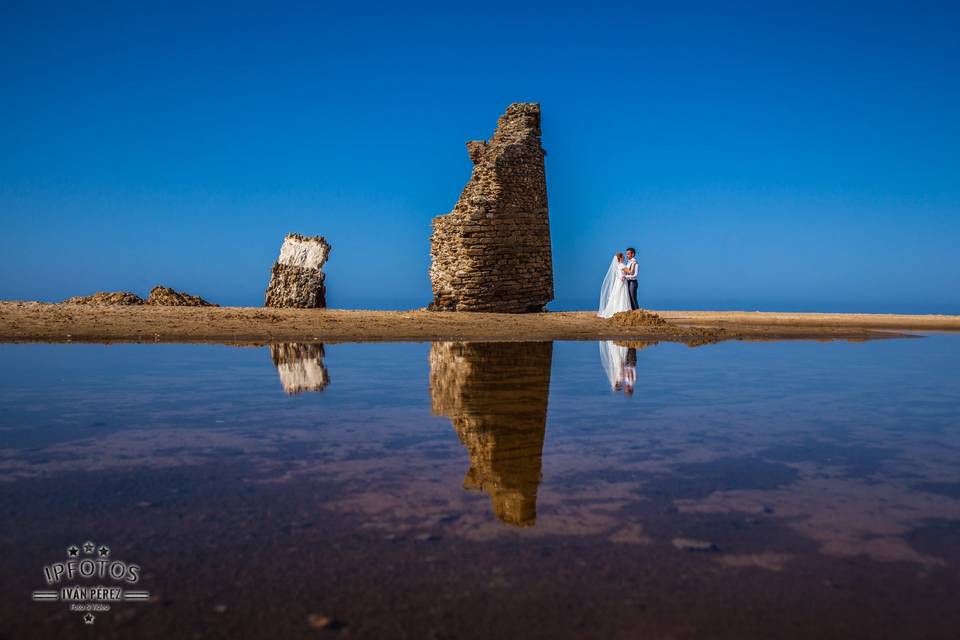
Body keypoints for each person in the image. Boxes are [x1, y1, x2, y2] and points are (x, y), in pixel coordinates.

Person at [597, 252, 632, 318]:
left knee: (616, 295)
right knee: (622, 295)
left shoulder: (617, 265)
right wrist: (633, 264)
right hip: (622, 282)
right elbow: (630, 272)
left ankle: (614, 309)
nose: (624, 257)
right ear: (621, 258)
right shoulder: (622, 265)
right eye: (623, 256)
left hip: (617, 282)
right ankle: (622, 310)